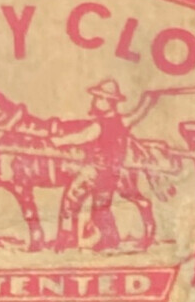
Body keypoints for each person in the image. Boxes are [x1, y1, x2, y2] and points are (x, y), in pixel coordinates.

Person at [50, 79, 158, 251]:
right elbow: (139, 113)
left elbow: (82, 137)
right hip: (112, 175)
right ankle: (110, 240)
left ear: (110, 102)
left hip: (94, 172)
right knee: (101, 209)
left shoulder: (98, 126)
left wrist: (59, 141)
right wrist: (149, 99)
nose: (95, 101)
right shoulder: (123, 121)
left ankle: (65, 240)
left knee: (70, 201)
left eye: (99, 98)